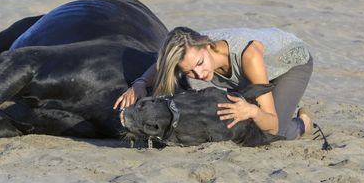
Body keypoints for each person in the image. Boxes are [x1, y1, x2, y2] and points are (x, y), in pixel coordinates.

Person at [113, 27, 313, 139]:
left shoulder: (248, 57)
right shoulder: (191, 48)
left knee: (272, 134)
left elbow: (272, 124)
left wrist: (253, 111)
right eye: (189, 71)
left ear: (208, 46)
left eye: (200, 63)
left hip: (291, 63)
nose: (199, 74)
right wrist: (140, 83)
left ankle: (303, 123)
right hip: (254, 72)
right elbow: (161, 65)